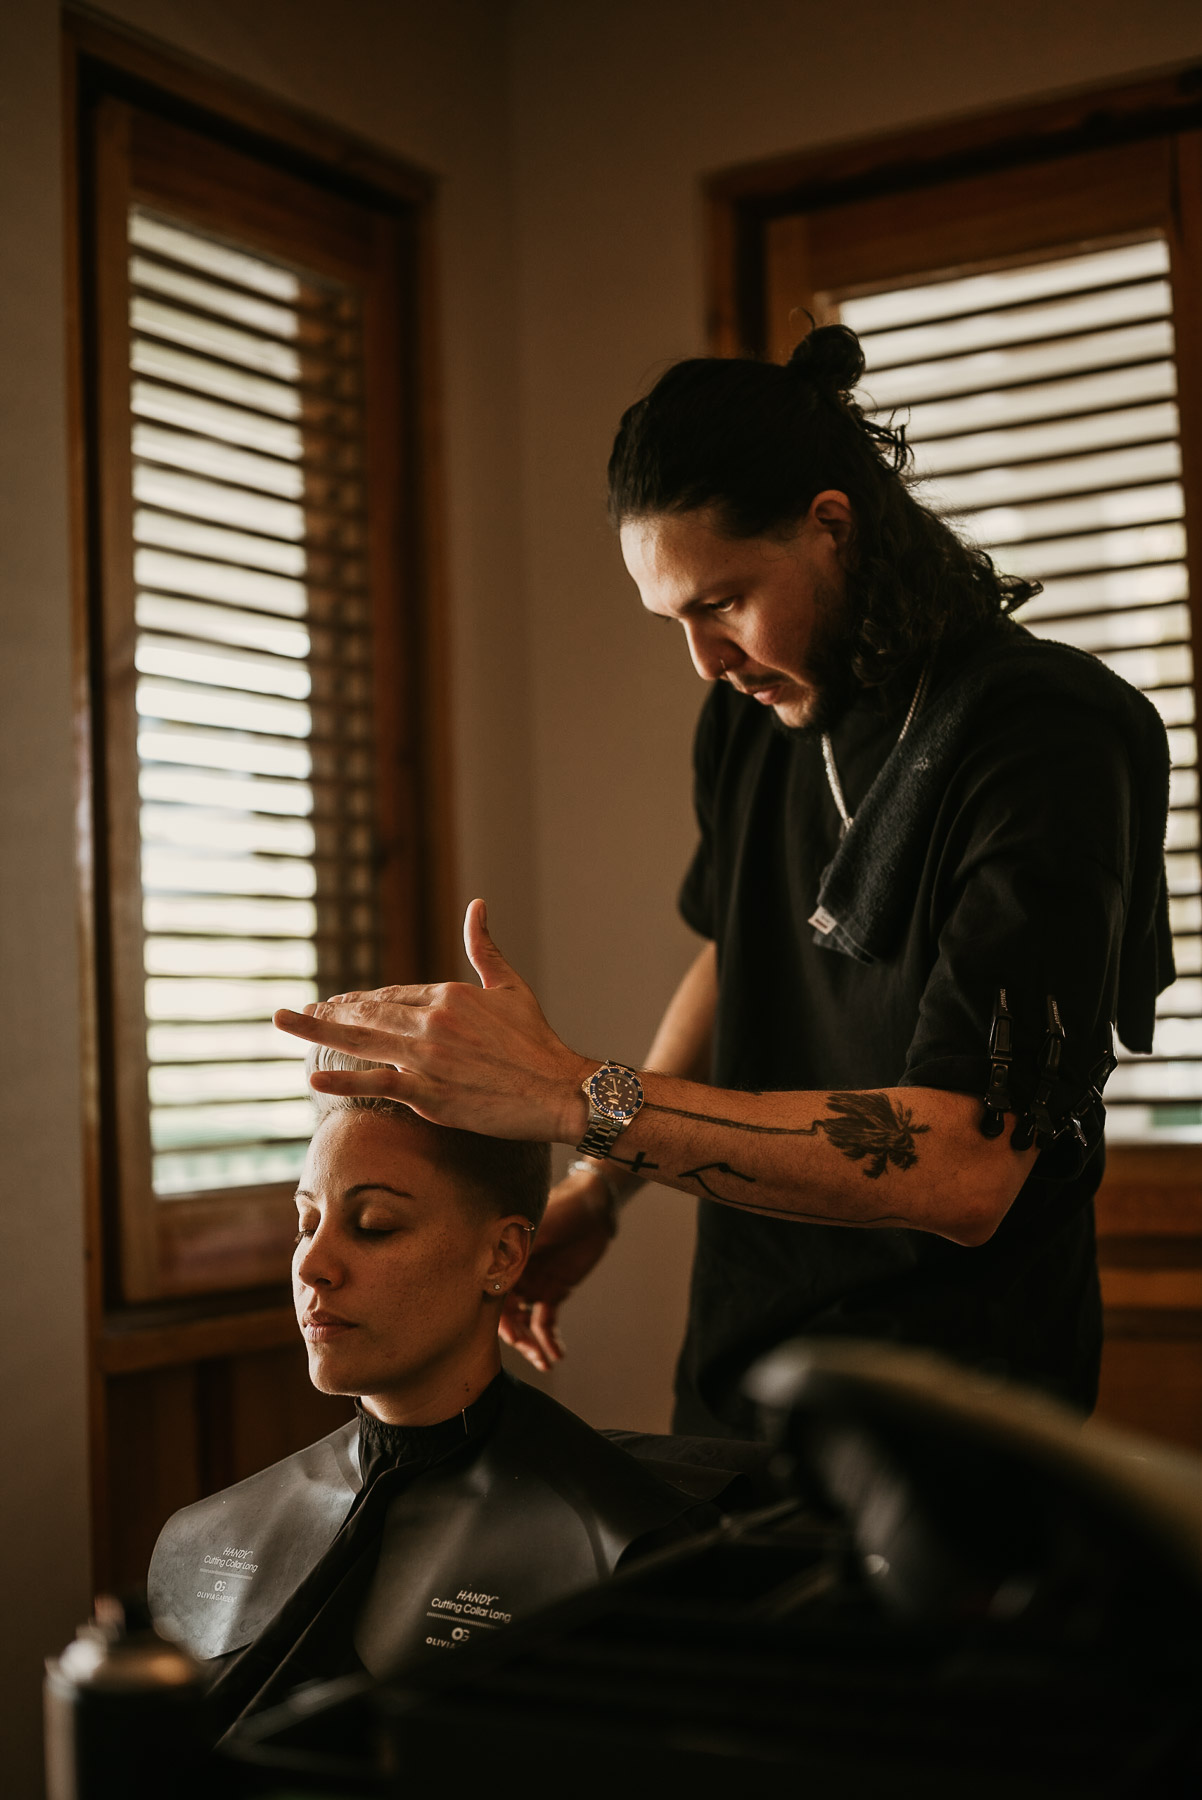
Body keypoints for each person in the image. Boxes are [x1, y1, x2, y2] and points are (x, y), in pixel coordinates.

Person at [273, 324, 1172, 1439]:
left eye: (721, 602)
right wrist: (599, 1194)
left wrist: (573, 1100)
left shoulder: (1042, 737)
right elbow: (735, 952)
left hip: (961, 1411)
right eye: (675, 621)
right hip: (741, 1365)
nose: (703, 661)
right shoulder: (752, 719)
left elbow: (959, 1170)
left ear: (830, 527)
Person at [148, 1048, 745, 1741]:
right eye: (306, 1222)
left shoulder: (620, 1554)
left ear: (503, 1257)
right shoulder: (203, 1537)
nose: (312, 1263)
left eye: (374, 1225)